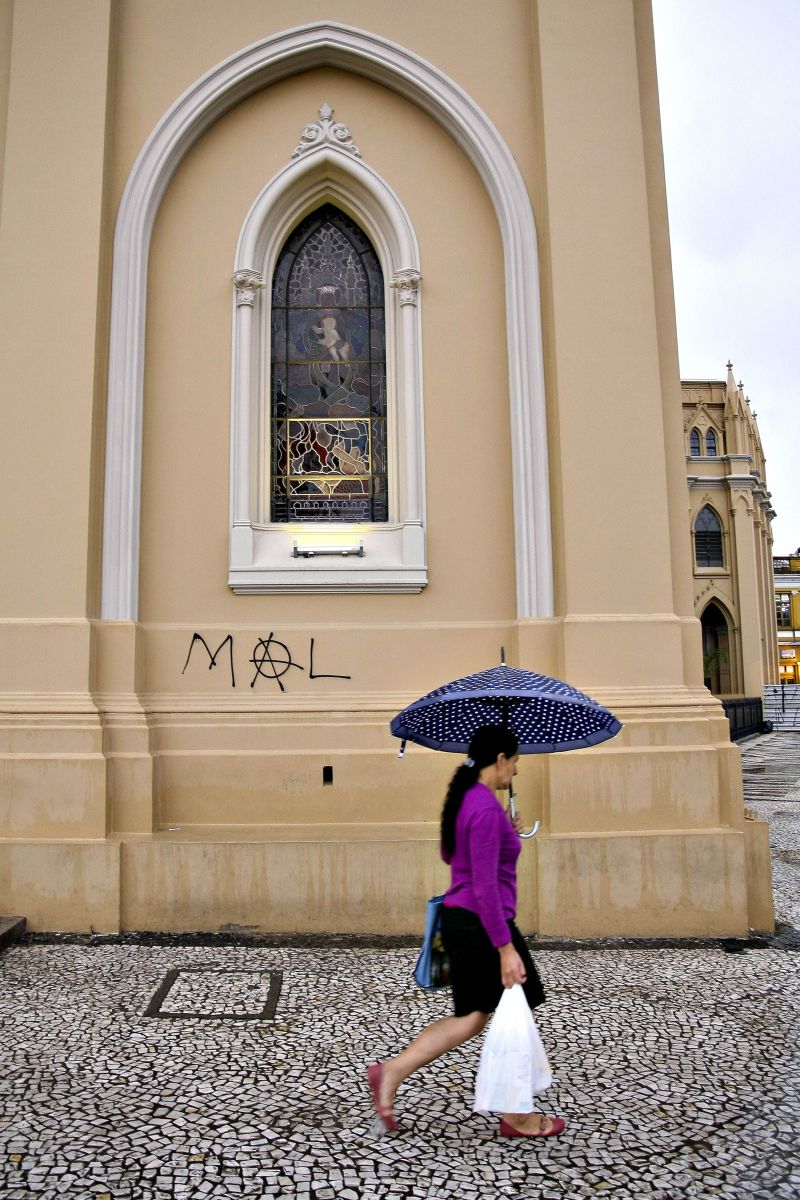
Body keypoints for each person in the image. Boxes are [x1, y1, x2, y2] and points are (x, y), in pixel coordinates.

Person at [366, 724, 565, 1139]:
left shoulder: (467, 800)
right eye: (515, 762)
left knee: (475, 1015)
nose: (517, 772)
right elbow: (486, 886)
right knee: (505, 1008)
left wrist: (507, 832)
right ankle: (517, 1116)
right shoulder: (485, 809)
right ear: (500, 760)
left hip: (468, 919)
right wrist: (505, 947)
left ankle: (391, 1073)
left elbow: (450, 853)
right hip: (481, 923)